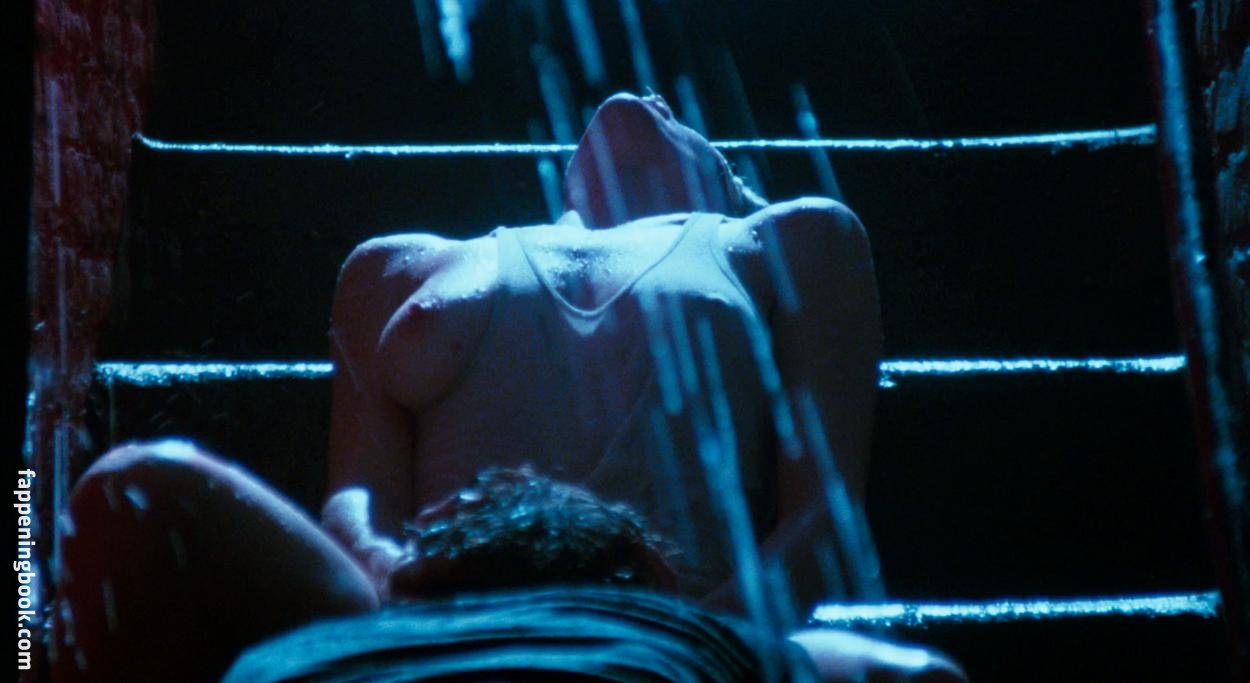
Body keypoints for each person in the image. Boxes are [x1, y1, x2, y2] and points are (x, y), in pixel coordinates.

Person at [323, 92, 883, 614]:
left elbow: (825, 519)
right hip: (456, 631)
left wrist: (688, 643)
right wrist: (409, 602)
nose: (651, 98)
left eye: (679, 117)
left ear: (730, 188)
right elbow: (358, 498)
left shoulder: (797, 238)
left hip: (673, 635)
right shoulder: (394, 264)